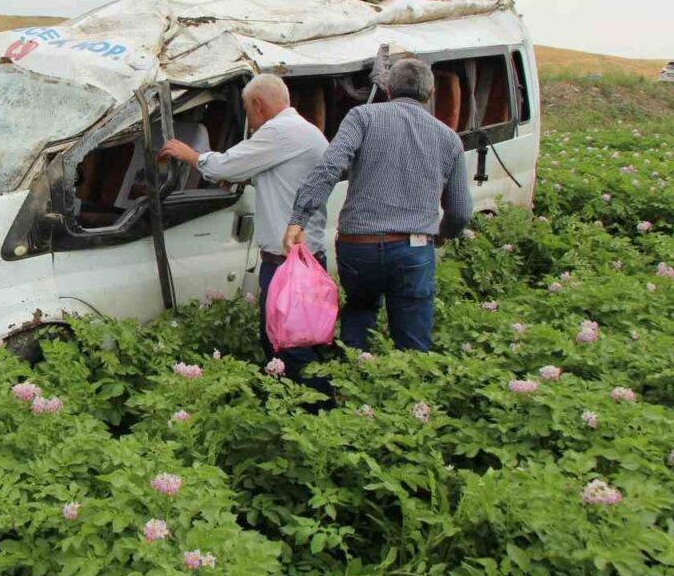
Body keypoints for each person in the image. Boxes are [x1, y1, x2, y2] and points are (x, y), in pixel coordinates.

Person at [284, 58, 473, 354]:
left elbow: (330, 166)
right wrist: (442, 234)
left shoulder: (361, 117)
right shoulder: (449, 139)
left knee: (358, 314)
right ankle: (407, 394)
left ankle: (350, 384)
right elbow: (460, 211)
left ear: (387, 88)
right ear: (431, 92)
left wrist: (299, 218)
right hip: (414, 249)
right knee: (413, 342)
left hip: (359, 246)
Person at [159, 74, 329, 380]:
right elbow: (284, 180)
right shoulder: (307, 132)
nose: (250, 119)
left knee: (288, 347)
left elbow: (225, 164)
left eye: (248, 111)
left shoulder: (279, 132)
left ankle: (315, 409)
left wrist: (190, 155)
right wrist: (246, 175)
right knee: (299, 343)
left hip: (287, 265)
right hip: (308, 258)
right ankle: (308, 408)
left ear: (257, 104)